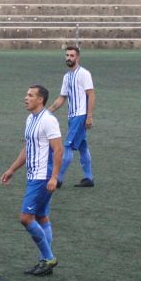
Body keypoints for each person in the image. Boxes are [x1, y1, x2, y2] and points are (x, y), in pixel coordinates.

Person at [1, 85, 64, 276]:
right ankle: (45, 260)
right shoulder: (30, 119)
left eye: (30, 95)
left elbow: (59, 150)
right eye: (26, 94)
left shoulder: (49, 121)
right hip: (33, 175)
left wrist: (54, 177)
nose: (25, 98)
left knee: (26, 218)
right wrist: (12, 169)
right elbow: (28, 149)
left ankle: (49, 258)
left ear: (40, 100)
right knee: (41, 216)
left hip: (43, 177)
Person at [48, 45, 95, 188]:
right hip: (72, 117)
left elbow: (91, 95)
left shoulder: (84, 74)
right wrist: (47, 112)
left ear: (78, 57)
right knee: (82, 147)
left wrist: (89, 116)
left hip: (80, 116)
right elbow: (62, 98)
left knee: (67, 147)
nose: (69, 58)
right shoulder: (67, 77)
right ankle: (89, 178)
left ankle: (57, 179)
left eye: (72, 55)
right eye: (67, 55)